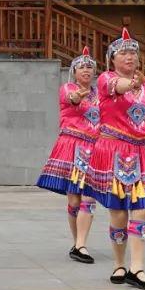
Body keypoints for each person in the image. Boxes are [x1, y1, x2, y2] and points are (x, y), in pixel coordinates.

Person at [87, 28, 145, 290]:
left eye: (133, 52)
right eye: (123, 52)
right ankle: (119, 263)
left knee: (142, 208)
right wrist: (132, 84)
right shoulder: (105, 79)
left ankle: (138, 267)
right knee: (119, 212)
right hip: (113, 150)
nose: (129, 57)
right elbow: (118, 87)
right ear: (112, 58)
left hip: (139, 152)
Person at [36, 47, 100, 263]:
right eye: (82, 66)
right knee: (74, 199)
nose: (86, 70)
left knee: (89, 197)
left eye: (90, 67)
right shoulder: (67, 88)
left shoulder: (99, 95)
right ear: (73, 71)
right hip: (73, 146)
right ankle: (78, 242)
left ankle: (81, 244)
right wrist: (76, 96)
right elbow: (72, 99)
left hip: (95, 148)